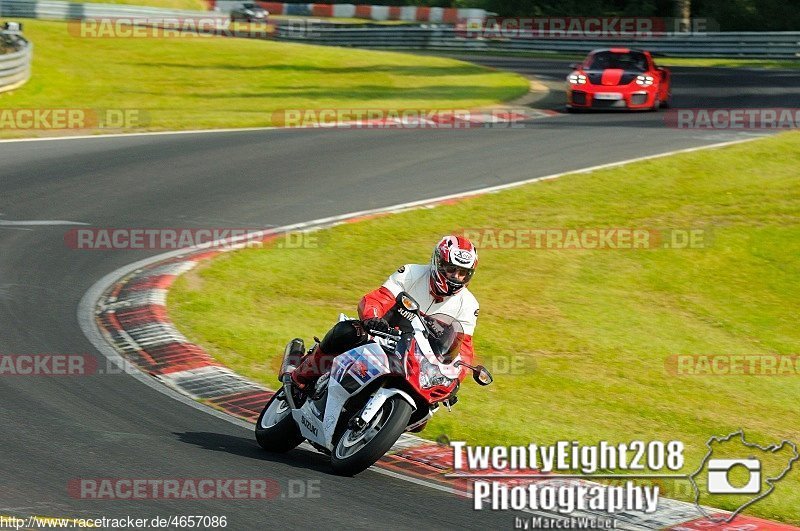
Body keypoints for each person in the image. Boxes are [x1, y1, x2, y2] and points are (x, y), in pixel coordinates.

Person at [286, 235, 480, 393]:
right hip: (384, 333)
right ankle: (301, 374)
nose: (456, 277)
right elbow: (377, 299)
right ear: (438, 262)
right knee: (347, 331)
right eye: (451, 269)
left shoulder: (469, 305)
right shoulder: (411, 273)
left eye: (463, 272)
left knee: (432, 406)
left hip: (419, 359)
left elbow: (464, 350)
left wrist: (455, 376)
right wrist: (372, 318)